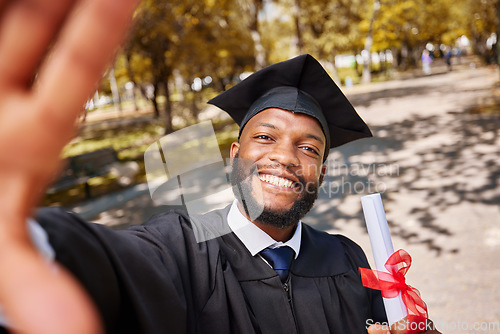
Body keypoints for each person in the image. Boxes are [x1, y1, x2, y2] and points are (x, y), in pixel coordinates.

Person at [0, 1, 440, 334]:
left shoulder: (347, 259)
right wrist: (19, 237)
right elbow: (99, 264)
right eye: (265, 137)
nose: (285, 157)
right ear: (234, 155)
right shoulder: (179, 248)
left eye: (308, 149)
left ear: (321, 174)